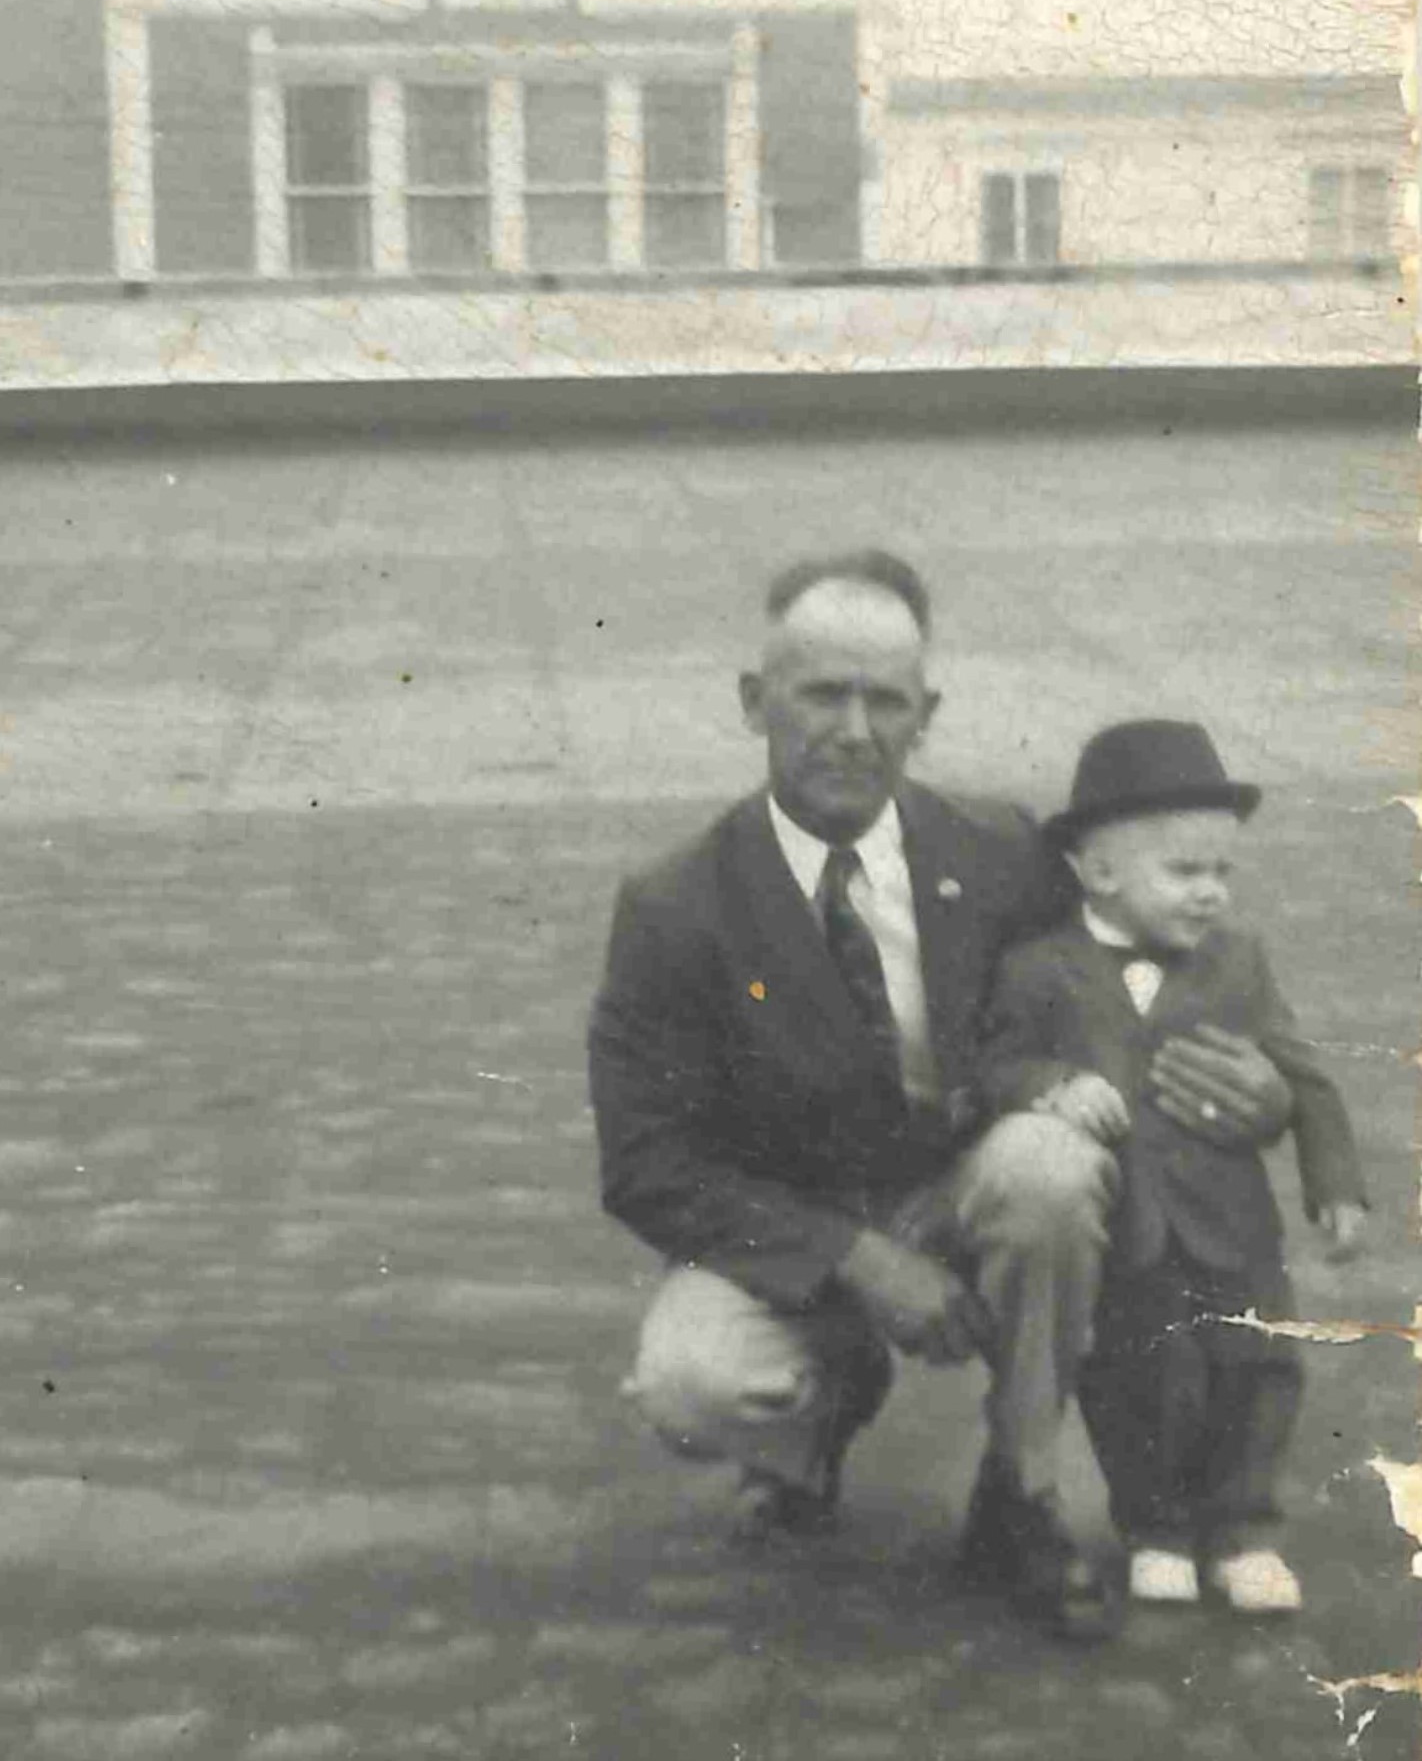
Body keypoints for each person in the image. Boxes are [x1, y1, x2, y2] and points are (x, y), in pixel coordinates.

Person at [586, 551, 1295, 1640]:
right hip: (798, 1228)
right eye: (822, 694)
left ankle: (1020, 1491)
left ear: (928, 715)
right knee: (693, 1381)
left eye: (886, 700)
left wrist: (1261, 1085)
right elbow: (648, 1164)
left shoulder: (1004, 850)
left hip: (968, 1189)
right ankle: (813, 1426)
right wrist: (853, 1259)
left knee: (1052, 1170)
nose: (854, 729)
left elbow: (1138, 977)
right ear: (754, 701)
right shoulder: (676, 904)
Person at [976, 719, 1368, 1615]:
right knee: (1137, 1378)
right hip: (1131, 1229)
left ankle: (1244, 1534)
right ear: (1099, 871)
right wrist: (1053, 1086)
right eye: (1185, 871)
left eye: (1223, 871)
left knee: (1256, 1369)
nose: (1210, 893)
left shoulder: (1239, 960)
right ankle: (1154, 1529)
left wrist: (1336, 1188)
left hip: (1234, 1222)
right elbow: (996, 1065)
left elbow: (1302, 1072)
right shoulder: (1040, 969)